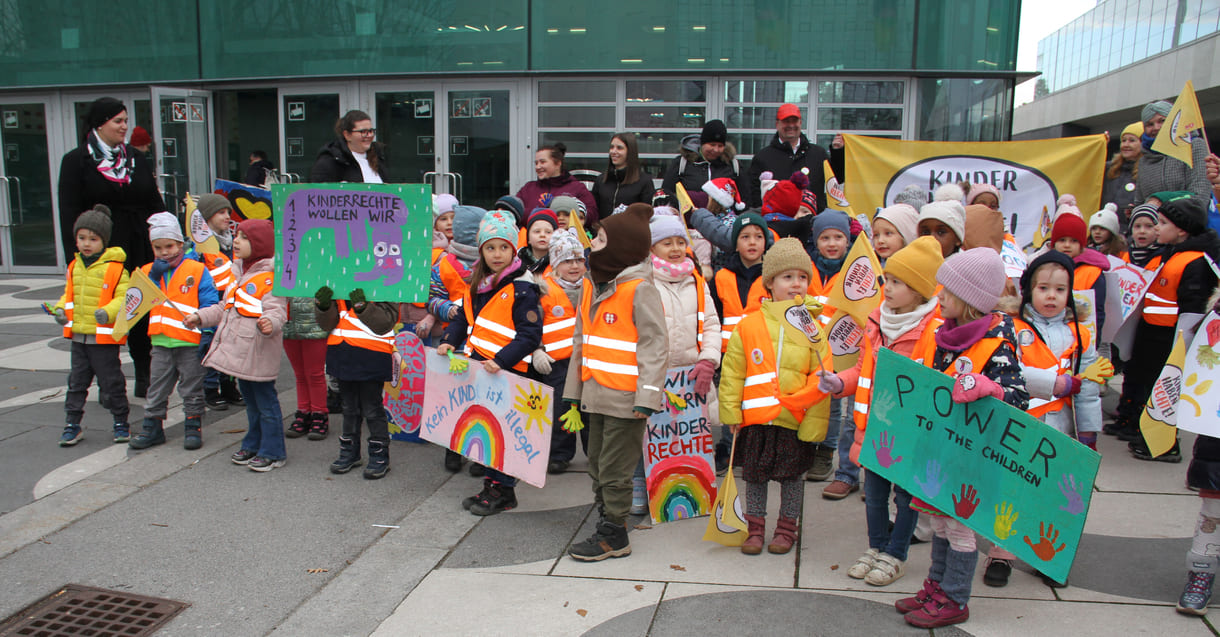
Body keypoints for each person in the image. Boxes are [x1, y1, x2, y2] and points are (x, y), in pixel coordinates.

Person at [898, 247, 1029, 628]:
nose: (939, 296)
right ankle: (937, 587)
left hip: (972, 457)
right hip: (943, 449)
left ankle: (954, 597)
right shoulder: (945, 333)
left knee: (959, 528)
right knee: (940, 522)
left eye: (948, 291)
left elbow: (1017, 397)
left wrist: (990, 387)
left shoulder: (998, 342)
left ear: (970, 300)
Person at [822, 236, 944, 586]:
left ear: (919, 291)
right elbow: (863, 369)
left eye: (896, 282)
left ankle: (896, 554)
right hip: (874, 427)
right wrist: (839, 382)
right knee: (874, 494)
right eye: (886, 279)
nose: (886, 287)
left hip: (910, 433)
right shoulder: (876, 321)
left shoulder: (933, 330)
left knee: (905, 497)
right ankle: (876, 547)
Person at [563, 203, 667, 560]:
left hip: (625, 399)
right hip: (596, 394)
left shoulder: (639, 289)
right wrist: (573, 393)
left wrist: (647, 397)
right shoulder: (592, 285)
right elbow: (581, 341)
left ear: (620, 247)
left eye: (601, 239)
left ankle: (614, 533)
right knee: (596, 464)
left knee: (614, 469)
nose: (593, 244)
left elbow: (655, 345)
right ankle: (607, 517)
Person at [720, 237, 833, 555]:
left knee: (792, 478)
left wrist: (814, 425)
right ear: (769, 282)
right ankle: (755, 528)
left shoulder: (813, 329)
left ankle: (786, 529)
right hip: (757, 419)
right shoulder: (749, 325)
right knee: (755, 477)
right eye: (787, 277)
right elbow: (733, 373)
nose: (796, 284)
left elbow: (822, 377)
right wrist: (731, 412)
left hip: (794, 419)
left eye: (803, 277)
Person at [58, 97, 165, 399]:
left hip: (139, 245)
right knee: (106, 315)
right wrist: (75, 260)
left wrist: (165, 237)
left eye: (125, 120)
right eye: (118, 121)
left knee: (141, 309)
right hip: (102, 253)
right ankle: (110, 382)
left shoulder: (136, 158)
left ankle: (144, 375)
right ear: (100, 123)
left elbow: (154, 203)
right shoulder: (76, 161)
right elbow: (69, 213)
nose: (124, 127)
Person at [439, 210, 543, 515]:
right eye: (490, 247)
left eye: (504, 247)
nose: (497, 254)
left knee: (504, 434)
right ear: (482, 250)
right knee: (487, 430)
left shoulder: (523, 288)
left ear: (513, 249)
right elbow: (464, 317)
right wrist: (449, 339)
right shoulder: (478, 282)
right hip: (480, 369)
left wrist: (501, 360)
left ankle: (503, 490)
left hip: (507, 372)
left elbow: (529, 335)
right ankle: (491, 485)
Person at [1119, 196, 1220, 460]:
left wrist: (1182, 347)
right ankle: (1145, 433)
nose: (1156, 228)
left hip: (1170, 338)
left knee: (1166, 390)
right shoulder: (1172, 253)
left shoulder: (1194, 261)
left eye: (1162, 223)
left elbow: (1193, 308)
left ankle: (1165, 445)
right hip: (1152, 332)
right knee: (1149, 386)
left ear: (1182, 230)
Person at [633, 213, 721, 513]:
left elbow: (711, 324)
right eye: (666, 242)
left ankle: (689, 487)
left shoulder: (696, 281)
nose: (675, 248)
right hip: (654, 374)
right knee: (647, 433)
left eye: (680, 242)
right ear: (651, 248)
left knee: (684, 438)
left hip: (691, 375)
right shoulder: (642, 281)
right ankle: (640, 483)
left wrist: (708, 359)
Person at [185, 220, 288, 472]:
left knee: (266, 404)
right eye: (237, 235)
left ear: (260, 244)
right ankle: (253, 443)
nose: (236, 241)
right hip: (240, 353)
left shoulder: (270, 277)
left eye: (243, 237)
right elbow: (225, 307)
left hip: (259, 352)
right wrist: (200, 317)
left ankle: (273, 451)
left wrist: (270, 323)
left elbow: (277, 310)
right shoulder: (238, 272)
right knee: (252, 404)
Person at [126, 212, 217, 451]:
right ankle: (152, 428)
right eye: (158, 247)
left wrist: (204, 325)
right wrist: (153, 278)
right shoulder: (148, 270)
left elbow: (210, 301)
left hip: (189, 341)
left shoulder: (196, 269)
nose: (164, 252)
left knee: (191, 387)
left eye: (169, 246)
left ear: (179, 243)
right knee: (157, 387)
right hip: (161, 341)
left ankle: (193, 426)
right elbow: (138, 301)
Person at [52, 205, 132, 446]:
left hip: (103, 339)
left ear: (104, 241)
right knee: (76, 383)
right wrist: (60, 310)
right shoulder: (74, 266)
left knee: (111, 382)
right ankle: (72, 424)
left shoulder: (116, 269)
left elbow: (124, 297)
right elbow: (69, 295)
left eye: (93, 239)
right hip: (79, 336)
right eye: (82, 238)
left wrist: (107, 312)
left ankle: (121, 422)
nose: (86, 244)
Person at [314, 286, 397, 479]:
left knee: (372, 408)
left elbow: (385, 322)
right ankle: (349, 452)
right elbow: (327, 325)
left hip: (372, 355)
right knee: (349, 408)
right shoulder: (337, 283)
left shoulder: (384, 282)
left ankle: (379, 455)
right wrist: (324, 307)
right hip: (343, 354)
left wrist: (363, 307)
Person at [534, 228, 591, 474]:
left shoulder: (592, 286)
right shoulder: (543, 289)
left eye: (578, 259)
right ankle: (559, 454)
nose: (574, 265)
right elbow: (533, 325)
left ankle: (594, 453)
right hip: (557, 363)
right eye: (567, 260)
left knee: (590, 409)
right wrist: (537, 350)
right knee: (560, 408)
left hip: (588, 359)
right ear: (556, 263)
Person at [191, 194, 244, 411]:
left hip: (231, 302)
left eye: (228, 212)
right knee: (210, 346)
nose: (227, 216)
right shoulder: (200, 248)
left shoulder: (232, 242)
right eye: (221, 212)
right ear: (207, 216)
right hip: (211, 303)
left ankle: (229, 386)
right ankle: (210, 389)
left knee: (230, 346)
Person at [744, 104, 843, 211]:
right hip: (776, 219)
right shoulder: (763, 157)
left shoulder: (818, 154)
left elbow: (839, 179)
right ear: (777, 124)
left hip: (812, 219)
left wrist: (837, 152)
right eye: (786, 121)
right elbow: (753, 194)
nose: (791, 125)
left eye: (794, 121)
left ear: (800, 123)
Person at [1136, 100, 1210, 205]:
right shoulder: (1144, 159)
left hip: (1187, 215)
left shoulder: (1193, 146)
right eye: (1150, 124)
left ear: (1175, 121)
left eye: (1162, 121)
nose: (1156, 127)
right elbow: (1139, 201)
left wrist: (1159, 201)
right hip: (1152, 215)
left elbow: (1200, 195)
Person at [1049, 212, 1110, 333]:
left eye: (1073, 241)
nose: (1067, 245)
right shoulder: (1043, 268)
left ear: (1081, 245)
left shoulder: (1092, 272)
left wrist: (1095, 340)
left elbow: (1097, 312)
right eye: (1062, 240)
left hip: (1080, 334)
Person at [662, 120, 747, 205]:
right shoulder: (682, 163)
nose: (716, 150)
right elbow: (667, 193)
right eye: (712, 145)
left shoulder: (733, 165)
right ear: (702, 143)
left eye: (720, 146)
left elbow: (745, 199)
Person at [516, 143, 599, 223]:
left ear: (558, 163)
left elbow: (592, 214)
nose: (537, 167)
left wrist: (570, 216)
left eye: (542, 162)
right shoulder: (528, 188)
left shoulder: (577, 188)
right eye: (536, 163)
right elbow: (514, 211)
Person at [309, 110, 387, 184]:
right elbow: (317, 191)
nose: (369, 135)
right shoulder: (329, 162)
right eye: (363, 132)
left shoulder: (378, 157)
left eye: (371, 131)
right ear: (347, 135)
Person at [592, 133, 654, 217]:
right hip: (603, 225)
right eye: (612, 147)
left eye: (619, 148)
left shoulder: (644, 182)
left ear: (630, 151)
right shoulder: (601, 180)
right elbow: (594, 213)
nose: (613, 151)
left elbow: (646, 216)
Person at [1103, 122, 1143, 219]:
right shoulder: (1108, 168)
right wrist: (1100, 146)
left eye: (1132, 140)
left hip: (1131, 226)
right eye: (1123, 140)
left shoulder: (1148, 171)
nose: (1126, 145)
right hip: (1104, 226)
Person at [1125, 201, 1165, 268]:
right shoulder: (1124, 256)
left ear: (1158, 229)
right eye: (1137, 226)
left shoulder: (1165, 257)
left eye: (1149, 226)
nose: (1142, 231)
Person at [519, 208, 556, 274]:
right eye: (537, 231)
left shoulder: (559, 263)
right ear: (528, 238)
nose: (542, 235)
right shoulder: (518, 262)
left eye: (548, 232)